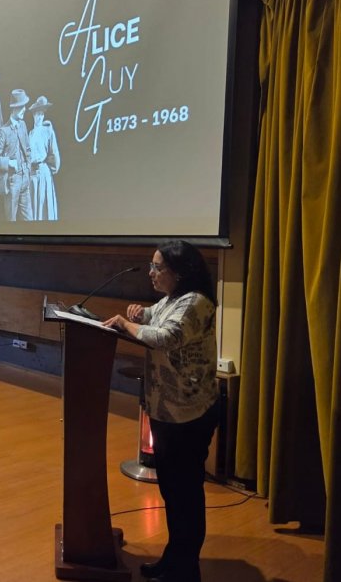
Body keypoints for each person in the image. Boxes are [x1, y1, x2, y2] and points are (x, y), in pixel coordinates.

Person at [103, 240, 219, 582]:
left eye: (158, 268)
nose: (152, 273)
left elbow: (166, 337)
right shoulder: (172, 300)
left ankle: (186, 568)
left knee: (185, 493)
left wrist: (127, 324)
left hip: (189, 414)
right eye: (152, 266)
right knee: (171, 490)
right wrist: (139, 314)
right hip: (167, 410)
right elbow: (152, 319)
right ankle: (174, 559)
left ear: (180, 272)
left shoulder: (196, 303)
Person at [0, 89, 34, 221]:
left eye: (24, 106)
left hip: (25, 180)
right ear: (14, 109)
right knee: (11, 221)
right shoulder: (3, 131)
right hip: (12, 182)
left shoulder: (23, 125)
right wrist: (9, 162)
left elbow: (28, 150)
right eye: (22, 107)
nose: (24, 109)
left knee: (29, 221)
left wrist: (28, 169)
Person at [28, 95, 61, 220]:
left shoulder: (47, 130)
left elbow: (54, 152)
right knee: (34, 204)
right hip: (32, 174)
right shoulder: (30, 133)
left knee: (44, 203)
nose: (40, 117)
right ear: (33, 115)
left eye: (42, 114)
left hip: (43, 172)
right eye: (38, 114)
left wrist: (50, 168)